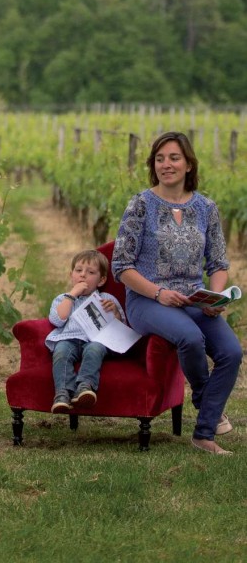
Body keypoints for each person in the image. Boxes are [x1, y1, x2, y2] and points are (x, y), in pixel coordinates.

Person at [112, 131, 243, 456]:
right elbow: (121, 265)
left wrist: (215, 298)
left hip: (194, 299)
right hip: (148, 301)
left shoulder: (206, 208)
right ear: (153, 165)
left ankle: (202, 435)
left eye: (173, 158)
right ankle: (205, 403)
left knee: (232, 352)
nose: (166, 165)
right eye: (160, 159)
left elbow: (218, 263)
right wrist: (158, 294)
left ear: (188, 164)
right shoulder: (141, 204)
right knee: (190, 338)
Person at [46, 249, 124, 412]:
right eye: (78, 270)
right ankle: (62, 393)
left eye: (90, 272)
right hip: (69, 338)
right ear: (71, 275)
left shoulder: (107, 299)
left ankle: (85, 387)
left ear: (101, 280)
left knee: (94, 349)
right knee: (61, 352)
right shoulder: (63, 298)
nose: (83, 275)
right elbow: (57, 319)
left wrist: (115, 313)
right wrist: (72, 295)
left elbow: (120, 329)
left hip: (96, 339)